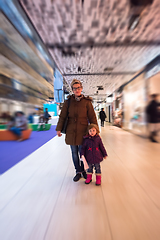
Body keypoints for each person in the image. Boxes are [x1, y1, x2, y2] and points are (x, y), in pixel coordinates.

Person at [56, 79, 99, 182]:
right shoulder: (68, 102)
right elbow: (62, 116)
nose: (77, 90)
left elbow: (92, 117)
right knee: (74, 152)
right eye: (75, 88)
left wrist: (96, 130)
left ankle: (84, 171)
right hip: (71, 130)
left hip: (83, 130)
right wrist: (58, 129)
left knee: (82, 153)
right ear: (72, 89)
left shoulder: (87, 102)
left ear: (81, 88)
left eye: (78, 88)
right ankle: (78, 171)